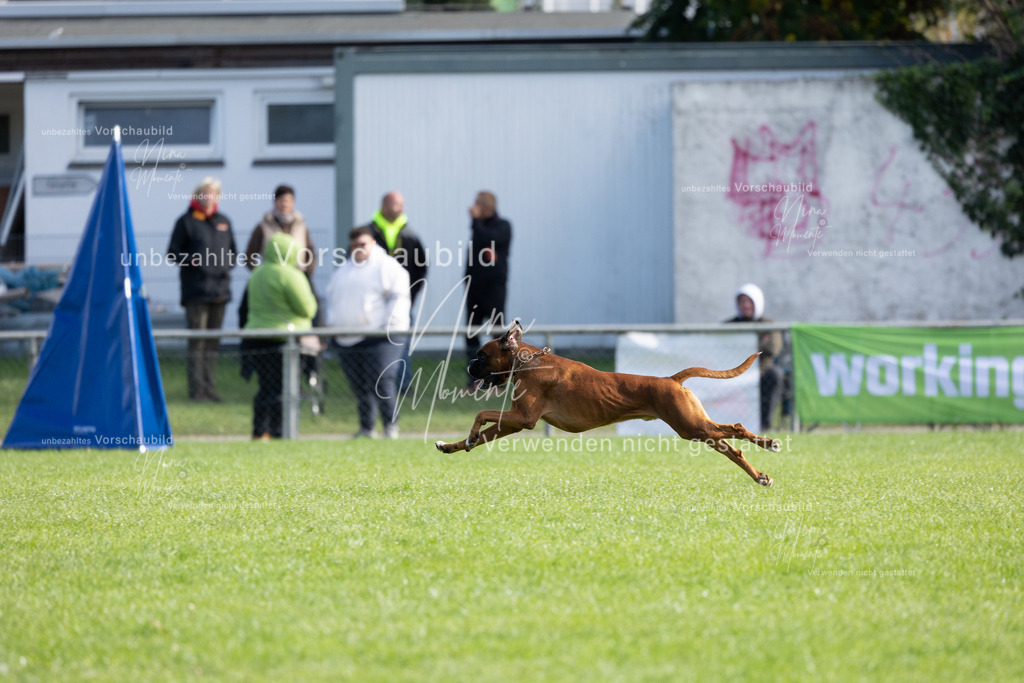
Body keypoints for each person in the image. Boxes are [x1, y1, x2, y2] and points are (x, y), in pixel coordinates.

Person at [326, 226, 411, 439]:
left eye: (362, 244)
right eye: (353, 245)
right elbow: (331, 300)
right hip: (348, 338)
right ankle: (367, 428)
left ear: (373, 243)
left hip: (382, 336)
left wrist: (389, 329)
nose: (357, 249)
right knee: (360, 384)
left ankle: (391, 427)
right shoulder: (343, 270)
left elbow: (398, 297)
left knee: (382, 380)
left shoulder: (388, 267)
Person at [167, 177, 236, 402]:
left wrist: (226, 264)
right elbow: (172, 252)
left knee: (213, 343)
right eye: (205, 194)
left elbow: (233, 253)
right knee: (198, 342)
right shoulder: (186, 221)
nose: (209, 198)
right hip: (196, 292)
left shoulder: (223, 221)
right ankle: (197, 390)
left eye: (213, 194)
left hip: (220, 291)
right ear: (198, 196)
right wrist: (192, 261)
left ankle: (210, 387)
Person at [243, 232, 318, 440]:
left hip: (257, 336)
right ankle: (279, 430)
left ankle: (260, 430)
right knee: (284, 388)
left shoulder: (257, 273)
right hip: (285, 338)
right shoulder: (291, 275)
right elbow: (307, 308)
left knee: (265, 386)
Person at [366, 191, 426, 390]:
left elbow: (421, 268)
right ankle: (374, 383)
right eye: (396, 204)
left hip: (402, 301)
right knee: (372, 342)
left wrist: (410, 295)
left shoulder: (410, 235)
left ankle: (402, 384)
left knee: (402, 343)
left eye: (402, 204)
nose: (401, 208)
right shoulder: (369, 234)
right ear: (384, 205)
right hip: (373, 302)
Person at [463, 191, 512, 379]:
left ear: (486, 207)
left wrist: (475, 221)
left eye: (477, 204)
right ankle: (473, 378)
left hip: (493, 289)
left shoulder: (503, 226)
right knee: (471, 332)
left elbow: (488, 239)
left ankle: (498, 378)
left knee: (497, 333)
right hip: (474, 288)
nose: (473, 208)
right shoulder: (478, 227)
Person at [725, 283, 785, 430]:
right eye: (742, 301)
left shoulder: (769, 324)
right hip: (734, 373)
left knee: (775, 375)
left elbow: (773, 348)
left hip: (761, 373)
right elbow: (721, 347)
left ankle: (765, 425)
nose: (745, 305)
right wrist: (759, 343)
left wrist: (741, 346)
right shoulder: (728, 325)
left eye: (749, 301)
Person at [244, 184, 315, 275]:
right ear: (275, 202)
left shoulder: (301, 226)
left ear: (293, 202)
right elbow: (250, 254)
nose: (284, 204)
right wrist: (260, 273)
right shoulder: (263, 225)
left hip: (297, 274)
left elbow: (310, 252)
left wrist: (307, 272)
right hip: (271, 277)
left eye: (288, 201)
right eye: (281, 200)